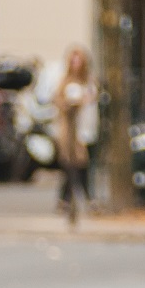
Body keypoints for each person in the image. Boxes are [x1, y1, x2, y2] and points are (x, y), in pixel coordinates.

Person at [50, 45, 95, 221]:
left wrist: (85, 100)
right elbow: (58, 101)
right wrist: (69, 103)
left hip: (84, 129)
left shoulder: (89, 81)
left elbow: (93, 100)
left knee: (81, 165)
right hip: (68, 130)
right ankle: (75, 200)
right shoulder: (64, 81)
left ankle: (70, 199)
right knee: (70, 165)